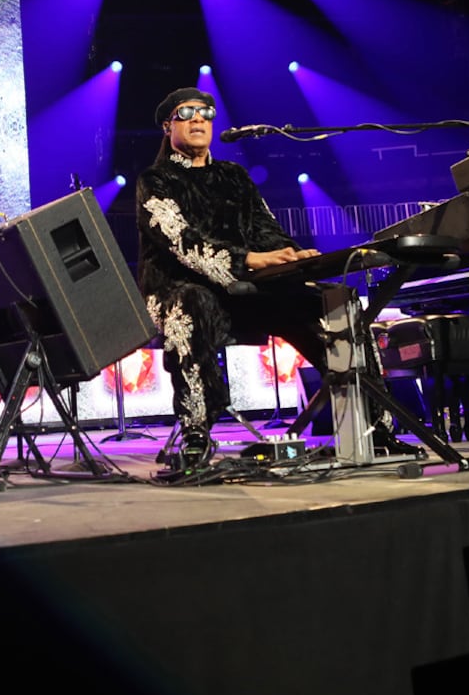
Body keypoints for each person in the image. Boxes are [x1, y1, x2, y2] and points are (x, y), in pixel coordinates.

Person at [135, 87, 414, 470]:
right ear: (169, 126)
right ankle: (196, 432)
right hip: (178, 290)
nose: (199, 119)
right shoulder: (156, 180)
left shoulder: (234, 176)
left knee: (335, 302)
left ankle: (373, 426)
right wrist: (246, 259)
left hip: (248, 290)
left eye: (206, 111)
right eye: (187, 112)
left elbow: (266, 230)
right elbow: (182, 242)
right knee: (193, 302)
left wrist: (289, 256)